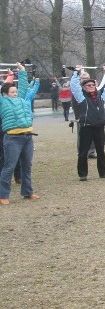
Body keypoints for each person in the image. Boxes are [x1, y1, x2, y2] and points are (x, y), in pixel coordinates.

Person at [0, 63, 40, 205]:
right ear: (5, 93)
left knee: (27, 165)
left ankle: (27, 192)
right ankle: (3, 195)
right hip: (12, 138)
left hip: (27, 137)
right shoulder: (2, 102)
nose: (15, 94)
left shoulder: (22, 99)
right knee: (9, 166)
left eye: (15, 92)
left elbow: (23, 86)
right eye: (12, 92)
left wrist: (22, 71)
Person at [70, 65, 105, 181]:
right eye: (88, 85)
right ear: (83, 87)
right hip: (86, 127)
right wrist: (77, 72)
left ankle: (103, 172)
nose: (91, 86)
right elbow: (74, 85)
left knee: (100, 150)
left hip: (99, 127)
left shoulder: (101, 96)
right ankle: (83, 174)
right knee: (83, 151)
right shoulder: (81, 97)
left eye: (93, 85)